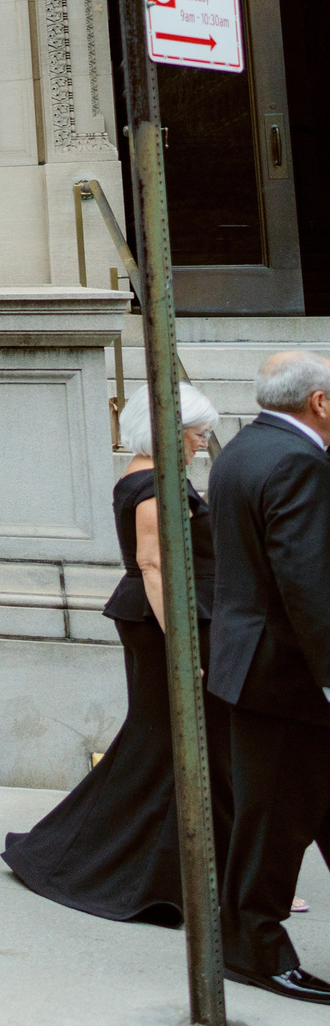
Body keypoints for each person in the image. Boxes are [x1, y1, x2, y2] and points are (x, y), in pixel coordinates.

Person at [5, 383, 229, 924]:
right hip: (165, 627)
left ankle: (124, 863)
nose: (201, 445)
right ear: (170, 432)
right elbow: (154, 565)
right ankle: (79, 860)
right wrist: (184, 642)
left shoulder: (144, 474)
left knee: (158, 746)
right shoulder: (154, 484)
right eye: (197, 434)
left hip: (162, 622)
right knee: (161, 745)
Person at [206, 350, 330, 1002]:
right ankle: (254, 949)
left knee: (285, 810)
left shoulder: (242, 448)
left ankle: (250, 940)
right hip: (285, 678)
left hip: (253, 665)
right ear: (320, 402)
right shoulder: (299, 461)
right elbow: (306, 581)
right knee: (271, 821)